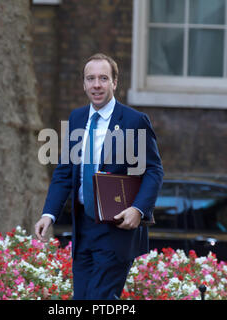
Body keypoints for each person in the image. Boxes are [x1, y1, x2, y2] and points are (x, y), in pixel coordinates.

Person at [34, 53, 164, 300]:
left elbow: (154, 170)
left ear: (115, 83)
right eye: (90, 78)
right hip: (83, 228)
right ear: (83, 84)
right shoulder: (77, 118)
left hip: (116, 227)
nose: (96, 85)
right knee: (81, 298)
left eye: (103, 78)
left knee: (99, 298)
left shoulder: (134, 121)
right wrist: (48, 214)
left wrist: (138, 209)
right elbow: (64, 171)